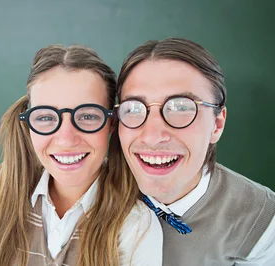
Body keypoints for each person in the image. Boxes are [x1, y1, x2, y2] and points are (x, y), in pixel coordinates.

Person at [0, 44, 162, 266]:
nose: (66, 139)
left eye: (87, 116)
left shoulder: (136, 226)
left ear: (112, 122)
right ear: (29, 123)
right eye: (45, 117)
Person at [114, 37, 275, 265]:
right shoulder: (85, 193)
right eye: (133, 109)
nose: (152, 135)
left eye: (181, 107)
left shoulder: (262, 220)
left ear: (217, 125)